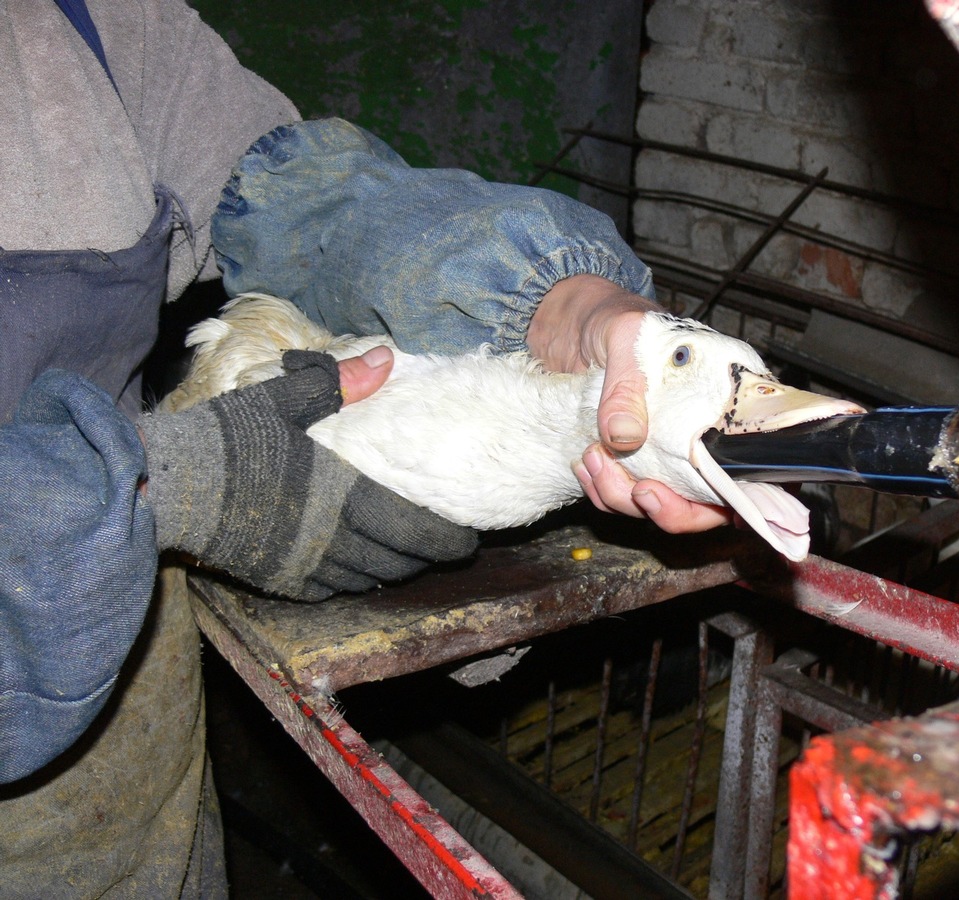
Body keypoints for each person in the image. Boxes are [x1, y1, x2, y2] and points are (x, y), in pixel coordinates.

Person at [0, 1, 726, 896]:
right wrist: (170, 488)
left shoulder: (90, 22)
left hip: (128, 750)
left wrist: (558, 302)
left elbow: (293, 191)